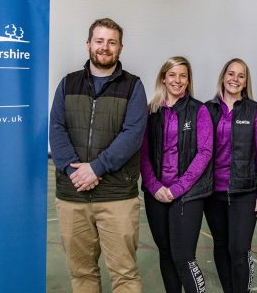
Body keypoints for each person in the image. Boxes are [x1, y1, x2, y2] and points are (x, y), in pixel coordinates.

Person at [49, 18, 147, 293]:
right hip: (72, 196)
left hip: (117, 197)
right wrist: (74, 172)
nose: (105, 47)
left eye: (111, 42)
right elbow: (56, 128)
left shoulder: (133, 87)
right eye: (100, 41)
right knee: (81, 274)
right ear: (89, 44)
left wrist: (96, 168)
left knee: (125, 276)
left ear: (120, 47)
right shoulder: (67, 84)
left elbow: (132, 135)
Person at [141, 56, 213, 293]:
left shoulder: (198, 110)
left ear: (188, 80)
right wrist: (154, 187)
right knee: (166, 254)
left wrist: (177, 189)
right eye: (172, 75)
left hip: (187, 195)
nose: (177, 80)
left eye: (183, 75)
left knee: (183, 257)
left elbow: (204, 153)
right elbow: (143, 154)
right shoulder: (151, 112)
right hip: (156, 195)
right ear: (163, 77)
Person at [204, 58, 257, 293]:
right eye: (231, 74)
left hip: (244, 191)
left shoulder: (255, 111)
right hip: (213, 192)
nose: (235, 79)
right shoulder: (207, 109)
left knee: (239, 249)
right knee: (221, 246)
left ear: (245, 82)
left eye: (240, 76)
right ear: (223, 77)